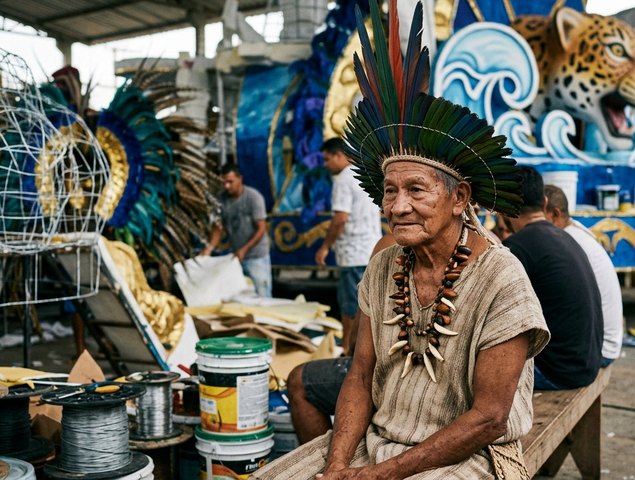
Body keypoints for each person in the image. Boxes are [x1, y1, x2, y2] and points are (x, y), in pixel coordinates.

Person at [254, 2, 549, 477]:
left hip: (473, 457)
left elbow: (490, 418)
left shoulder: (501, 278)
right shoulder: (383, 266)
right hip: (379, 441)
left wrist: (380, 475)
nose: (397, 206)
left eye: (416, 190)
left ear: (460, 198)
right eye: (390, 191)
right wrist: (337, 464)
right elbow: (360, 374)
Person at [288, 234, 396, 445]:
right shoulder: (479, 245)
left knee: (299, 380)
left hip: (392, 378)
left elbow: (357, 343)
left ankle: (319, 464)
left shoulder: (388, 247)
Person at [502, 167, 603, 390]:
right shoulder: (566, 237)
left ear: (503, 209)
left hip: (556, 374)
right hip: (587, 366)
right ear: (545, 203)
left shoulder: (517, 247)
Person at [315, 137, 383, 355]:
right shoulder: (363, 176)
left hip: (353, 253)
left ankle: (347, 349)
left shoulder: (343, 180)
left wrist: (325, 246)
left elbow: (340, 218)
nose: (326, 165)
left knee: (350, 305)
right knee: (369, 303)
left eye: (327, 160)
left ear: (339, 155)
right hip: (371, 250)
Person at [544, 184, 623, 367]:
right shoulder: (574, 231)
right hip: (603, 344)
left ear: (555, 215)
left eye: (538, 216)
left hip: (598, 350)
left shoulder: (564, 242)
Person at [202, 163, 272, 297]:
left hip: (256, 256)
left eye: (230, 182)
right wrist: (209, 248)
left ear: (240, 179)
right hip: (236, 257)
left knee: (263, 295)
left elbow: (261, 228)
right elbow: (218, 227)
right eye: (224, 182)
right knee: (238, 296)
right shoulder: (220, 200)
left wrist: (244, 249)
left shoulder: (253, 197)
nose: (226, 186)